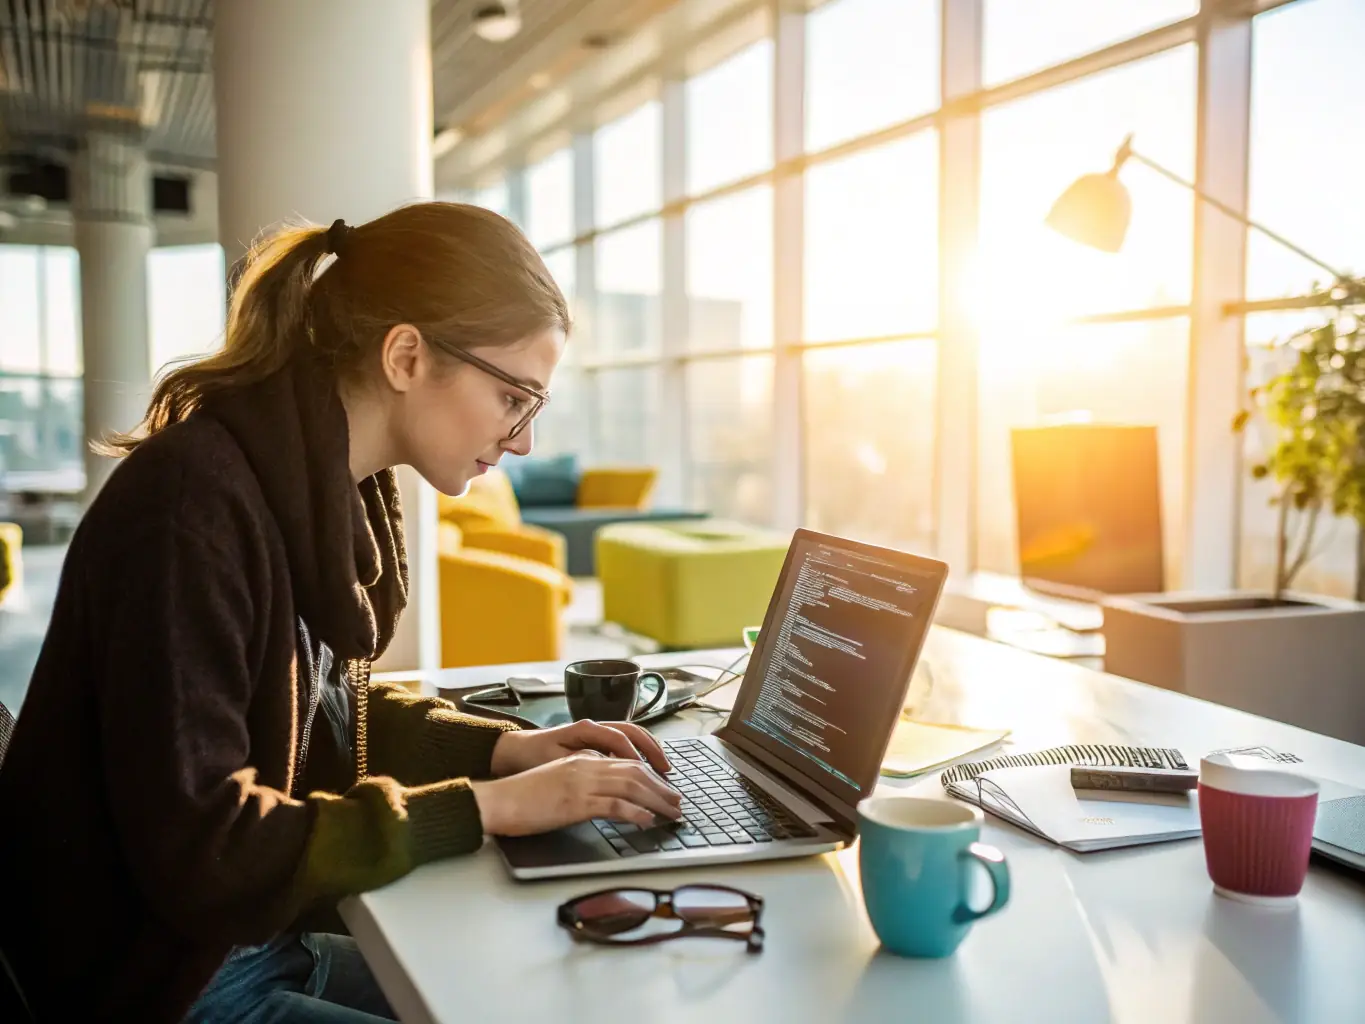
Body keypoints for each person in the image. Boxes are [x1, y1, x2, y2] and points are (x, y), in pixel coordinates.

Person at [0, 202, 683, 1023]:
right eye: (512, 397)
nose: (523, 441)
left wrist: (504, 750)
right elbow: (205, 850)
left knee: (543, 998)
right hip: (157, 984)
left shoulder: (317, 487)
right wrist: (488, 807)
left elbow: (325, 713)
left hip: (242, 946)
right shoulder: (193, 510)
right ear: (405, 355)